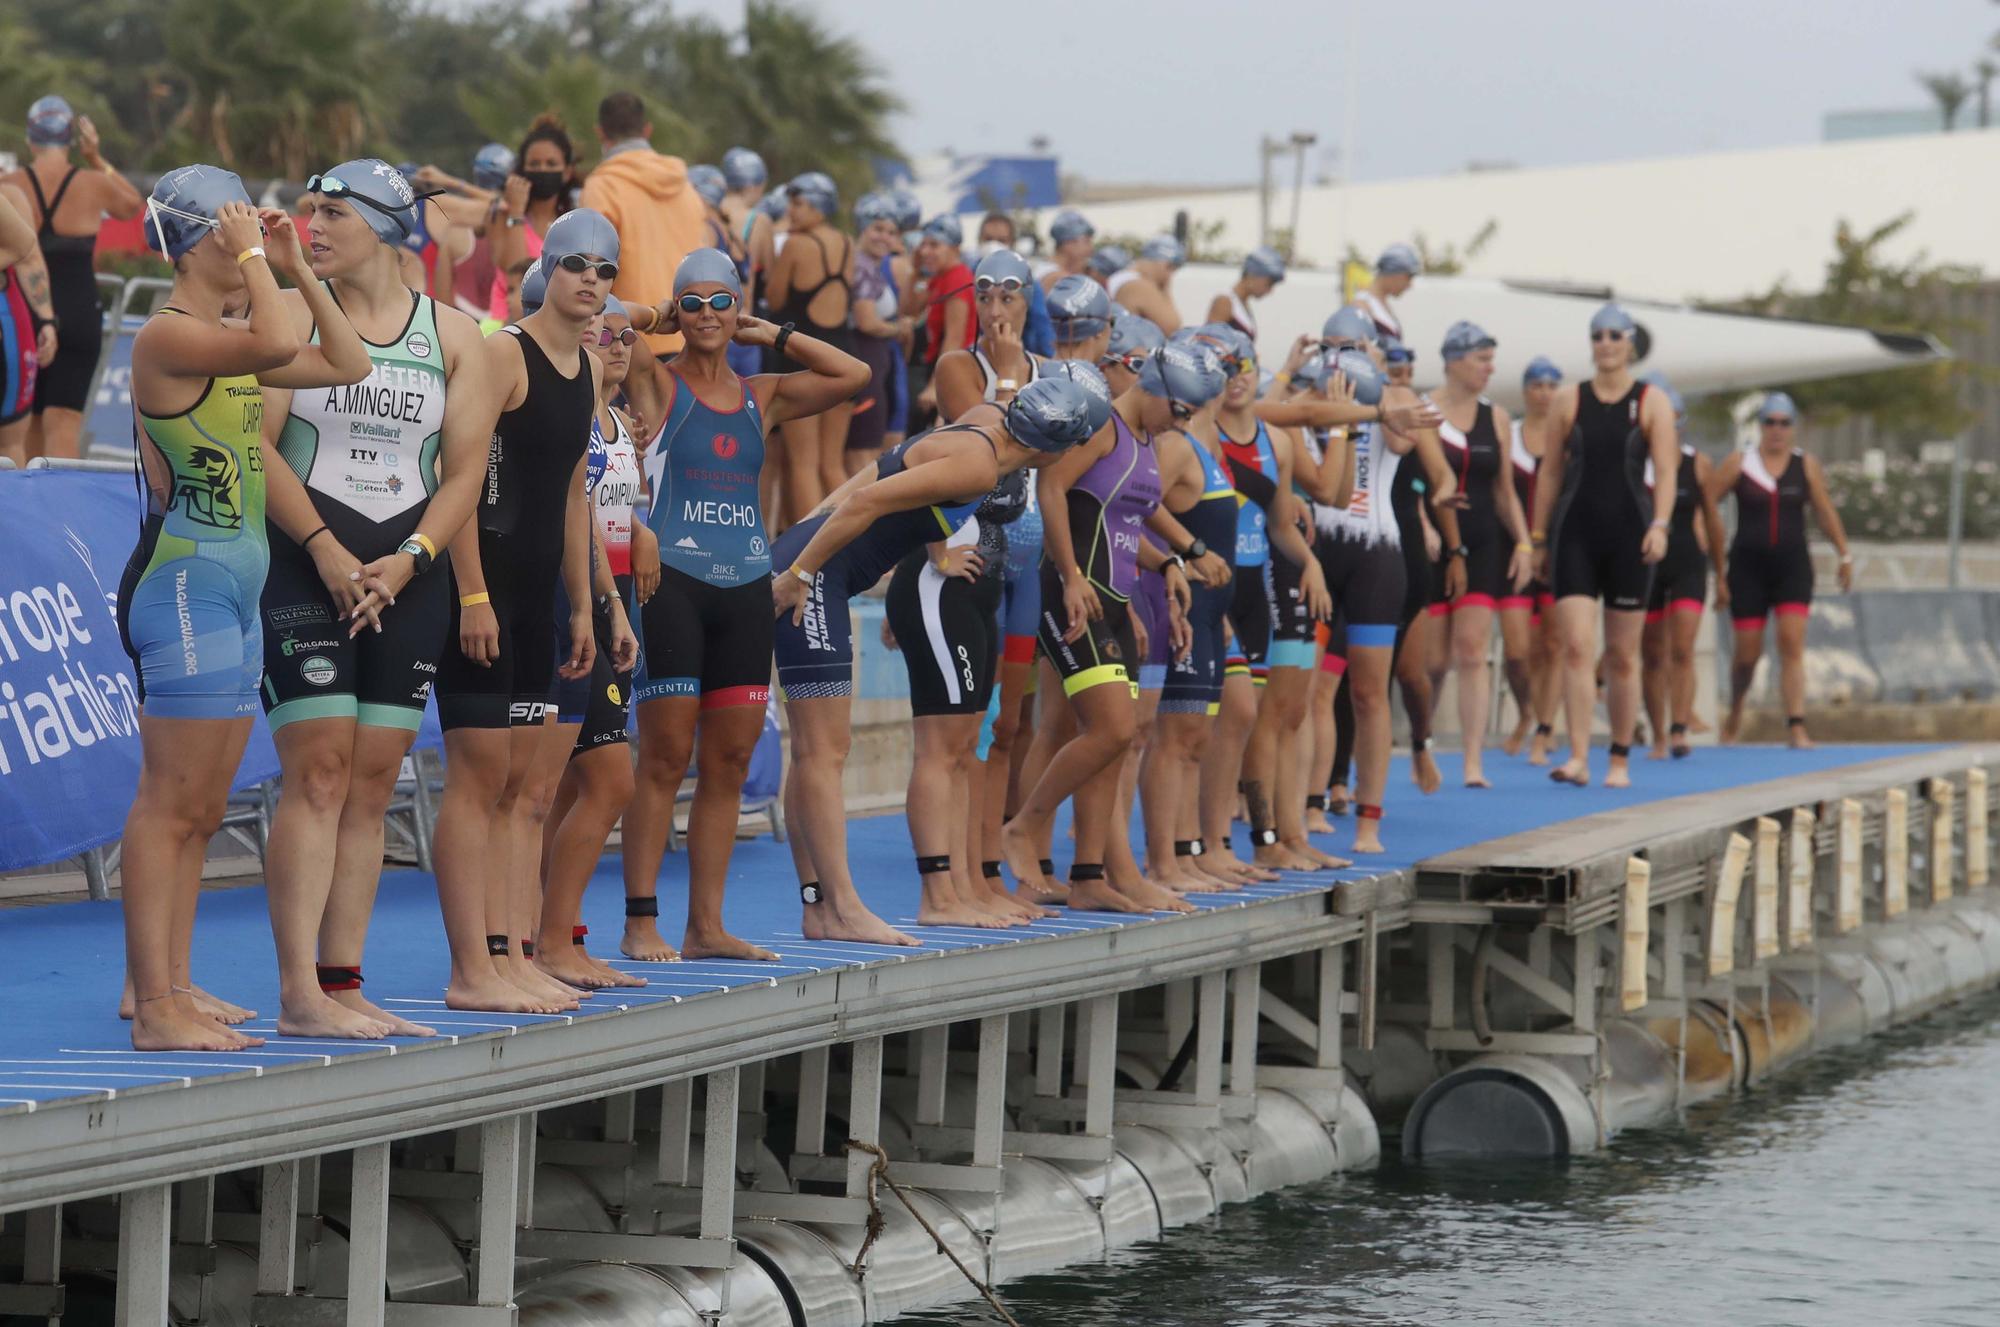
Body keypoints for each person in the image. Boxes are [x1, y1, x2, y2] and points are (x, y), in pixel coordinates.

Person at [116, 166, 370, 1050]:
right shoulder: (167, 338)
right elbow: (270, 340)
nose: (256, 232)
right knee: (170, 803)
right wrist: (259, 257)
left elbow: (348, 361)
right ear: (205, 238)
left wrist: (298, 266)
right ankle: (152, 1007)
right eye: (239, 222)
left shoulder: (228, 334)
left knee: (203, 808)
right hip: (184, 586)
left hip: (233, 591)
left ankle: (173, 987)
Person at [254, 159, 504, 1039]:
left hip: (408, 573)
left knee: (371, 784)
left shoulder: (458, 337)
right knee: (316, 773)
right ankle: (297, 993)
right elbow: (263, 449)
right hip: (305, 559)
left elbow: (462, 471)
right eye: (308, 209)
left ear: (390, 228)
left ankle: (342, 978)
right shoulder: (284, 314)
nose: (310, 225)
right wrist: (323, 549)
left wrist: (410, 560)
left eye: (331, 213)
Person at [773, 377, 1098, 943]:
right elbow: (867, 499)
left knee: (813, 753)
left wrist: (808, 531)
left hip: (816, 566)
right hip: (813, 576)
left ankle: (818, 908)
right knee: (824, 751)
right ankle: (844, 908)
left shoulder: (982, 420)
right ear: (1052, 452)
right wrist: (799, 570)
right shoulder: (979, 467)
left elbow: (876, 472)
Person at [621, 248, 870, 961]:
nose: (705, 315)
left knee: (729, 758)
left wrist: (776, 333)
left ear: (738, 309)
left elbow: (851, 375)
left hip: (745, 590)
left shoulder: (764, 394)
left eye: (718, 302)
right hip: (671, 582)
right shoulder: (657, 385)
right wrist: (655, 315)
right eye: (690, 303)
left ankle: (705, 925)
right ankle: (642, 919)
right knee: (665, 757)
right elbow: (603, 321)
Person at [431, 209, 612, 1012]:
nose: (591, 281)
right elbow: (458, 477)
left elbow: (574, 492)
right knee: (478, 779)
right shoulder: (505, 352)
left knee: (520, 789)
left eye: (605, 271)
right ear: (549, 266)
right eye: (576, 264)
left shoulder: (591, 370)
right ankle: (471, 967)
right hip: (483, 590)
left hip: (540, 597)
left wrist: (583, 603)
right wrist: (470, 591)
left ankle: (508, 954)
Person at [1000, 343, 1229, 911]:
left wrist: (1173, 561)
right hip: (1071, 592)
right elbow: (1052, 489)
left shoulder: (1149, 442)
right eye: (1180, 411)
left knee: (1112, 740)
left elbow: (1129, 518)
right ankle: (1022, 828)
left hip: (1114, 600)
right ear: (1153, 389)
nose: (1184, 424)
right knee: (1111, 730)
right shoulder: (1102, 426)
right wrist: (1073, 576)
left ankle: (1088, 876)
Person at [532, 296, 645, 987]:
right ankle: (548, 936)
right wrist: (598, 601)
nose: (619, 345)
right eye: (607, 333)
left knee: (579, 783)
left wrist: (619, 604)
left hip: (612, 602)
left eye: (629, 336)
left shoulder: (616, 420)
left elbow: (615, 513)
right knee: (603, 780)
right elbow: (575, 512)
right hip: (571, 599)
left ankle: (558, 933)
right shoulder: (572, 413)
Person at [1527, 303, 1681, 789]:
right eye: (1598, 335)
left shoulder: (1651, 401)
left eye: (1615, 335)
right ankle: (1576, 756)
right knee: (1575, 646)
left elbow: (1668, 471)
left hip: (1630, 537)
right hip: (1574, 534)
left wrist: (1660, 524)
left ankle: (1618, 757)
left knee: (1622, 656)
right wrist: (1536, 538)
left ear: (1629, 343)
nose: (1606, 343)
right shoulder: (1569, 399)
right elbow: (1550, 471)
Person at [1709, 392, 1852, 749]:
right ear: (1760, 426)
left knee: (1791, 644)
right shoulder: (1740, 463)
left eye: (1784, 423)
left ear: (1793, 428)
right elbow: (1706, 504)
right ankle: (1737, 706)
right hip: (1747, 568)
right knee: (1747, 656)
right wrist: (1711, 555)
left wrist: (1844, 554)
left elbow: (1823, 510)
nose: (1776, 430)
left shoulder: (1805, 465)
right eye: (1769, 422)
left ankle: (1796, 724)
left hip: (1792, 567)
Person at [6, 96, 143, 461]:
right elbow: (133, 205)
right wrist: (96, 158)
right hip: (81, 310)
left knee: (22, 427)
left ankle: (21, 512)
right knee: (65, 423)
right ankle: (61, 514)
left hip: (27, 314)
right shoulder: (92, 182)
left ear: (30, 139)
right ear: (70, 140)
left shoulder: (11, 184)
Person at [1426, 321, 1532, 789]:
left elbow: (1506, 491)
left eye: (1492, 359)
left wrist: (1525, 543)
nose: (1490, 368)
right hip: (1434, 542)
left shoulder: (1498, 418)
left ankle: (1472, 760)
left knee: (1471, 650)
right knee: (1430, 661)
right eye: (1482, 359)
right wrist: (1427, 526)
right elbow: (1411, 480)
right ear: (1453, 360)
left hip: (1485, 540)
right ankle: (1419, 744)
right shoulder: (1423, 410)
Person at [1636, 372, 1726, 760]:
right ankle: (1656, 732)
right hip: (1644, 564)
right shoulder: (1633, 465)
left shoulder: (1697, 464)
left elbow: (1713, 520)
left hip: (1687, 560)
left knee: (1683, 648)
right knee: (1653, 653)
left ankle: (1679, 728)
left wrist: (1722, 572)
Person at [578, 92, 707, 360]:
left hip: (630, 341)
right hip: (694, 331)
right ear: (647, 130)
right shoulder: (686, 187)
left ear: (600, 132)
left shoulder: (601, 188)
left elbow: (591, 268)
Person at [766, 171, 854, 521]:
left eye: (799, 204)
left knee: (803, 464)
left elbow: (774, 298)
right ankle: (845, 540)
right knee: (831, 464)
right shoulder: (847, 242)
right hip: (842, 353)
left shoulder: (796, 245)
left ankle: (809, 552)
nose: (792, 211)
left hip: (802, 357)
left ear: (820, 207)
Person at [1500, 355, 1564, 764]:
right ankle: (1526, 711)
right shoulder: (1512, 435)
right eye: (1536, 386)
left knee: (1553, 646)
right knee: (1519, 651)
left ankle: (1544, 726)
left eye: (1550, 386)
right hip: (1517, 551)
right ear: (1525, 391)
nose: (1543, 394)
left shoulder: (1567, 438)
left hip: (1559, 553)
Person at [846, 192, 913, 475]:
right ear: (863, 227)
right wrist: (900, 327)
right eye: (878, 229)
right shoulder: (861, 267)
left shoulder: (870, 267)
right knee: (861, 460)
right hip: (865, 363)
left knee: (870, 453)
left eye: (891, 232)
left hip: (873, 364)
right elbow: (866, 322)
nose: (884, 237)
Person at [934, 248, 1044, 419]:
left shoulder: (1045, 370)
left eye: (1006, 299)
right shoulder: (954, 366)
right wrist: (1007, 371)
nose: (994, 312)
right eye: (984, 299)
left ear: (1026, 304)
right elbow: (990, 439)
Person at [0, 181, 57, 467]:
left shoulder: (9, 193)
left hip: (8, 320)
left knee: (10, 442)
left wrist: (46, 318)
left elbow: (26, 249)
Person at [904, 215, 976, 431]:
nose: (925, 251)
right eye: (923, 244)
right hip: (940, 367)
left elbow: (954, 337)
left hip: (954, 373)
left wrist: (935, 386)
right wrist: (916, 272)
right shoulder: (939, 278)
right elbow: (909, 310)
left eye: (934, 245)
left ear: (954, 248)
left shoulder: (958, 279)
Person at [1108, 235, 1184, 335]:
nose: (1170, 276)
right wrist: (1165, 289)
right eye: (1172, 269)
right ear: (1166, 264)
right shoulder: (1139, 286)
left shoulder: (1120, 276)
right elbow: (1173, 329)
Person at [1208, 246, 1286, 345]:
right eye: (1269, 283)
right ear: (1252, 275)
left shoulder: (1242, 304)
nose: (1270, 291)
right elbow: (1208, 346)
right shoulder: (1224, 302)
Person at [1355, 242, 1419, 342]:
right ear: (1393, 273)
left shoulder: (1380, 303)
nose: (1410, 285)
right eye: (1408, 277)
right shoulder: (1362, 306)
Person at [1040, 209, 1095, 291]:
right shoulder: (1057, 278)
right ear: (1069, 243)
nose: (1090, 249)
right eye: (1087, 242)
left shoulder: (1046, 268)